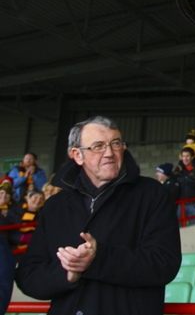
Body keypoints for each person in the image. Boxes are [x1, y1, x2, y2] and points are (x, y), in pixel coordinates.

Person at [16, 115, 182, 315]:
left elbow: (164, 264)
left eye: (116, 143)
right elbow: (28, 276)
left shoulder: (152, 194)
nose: (110, 153)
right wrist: (67, 274)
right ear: (78, 155)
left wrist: (98, 258)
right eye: (98, 146)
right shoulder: (55, 206)